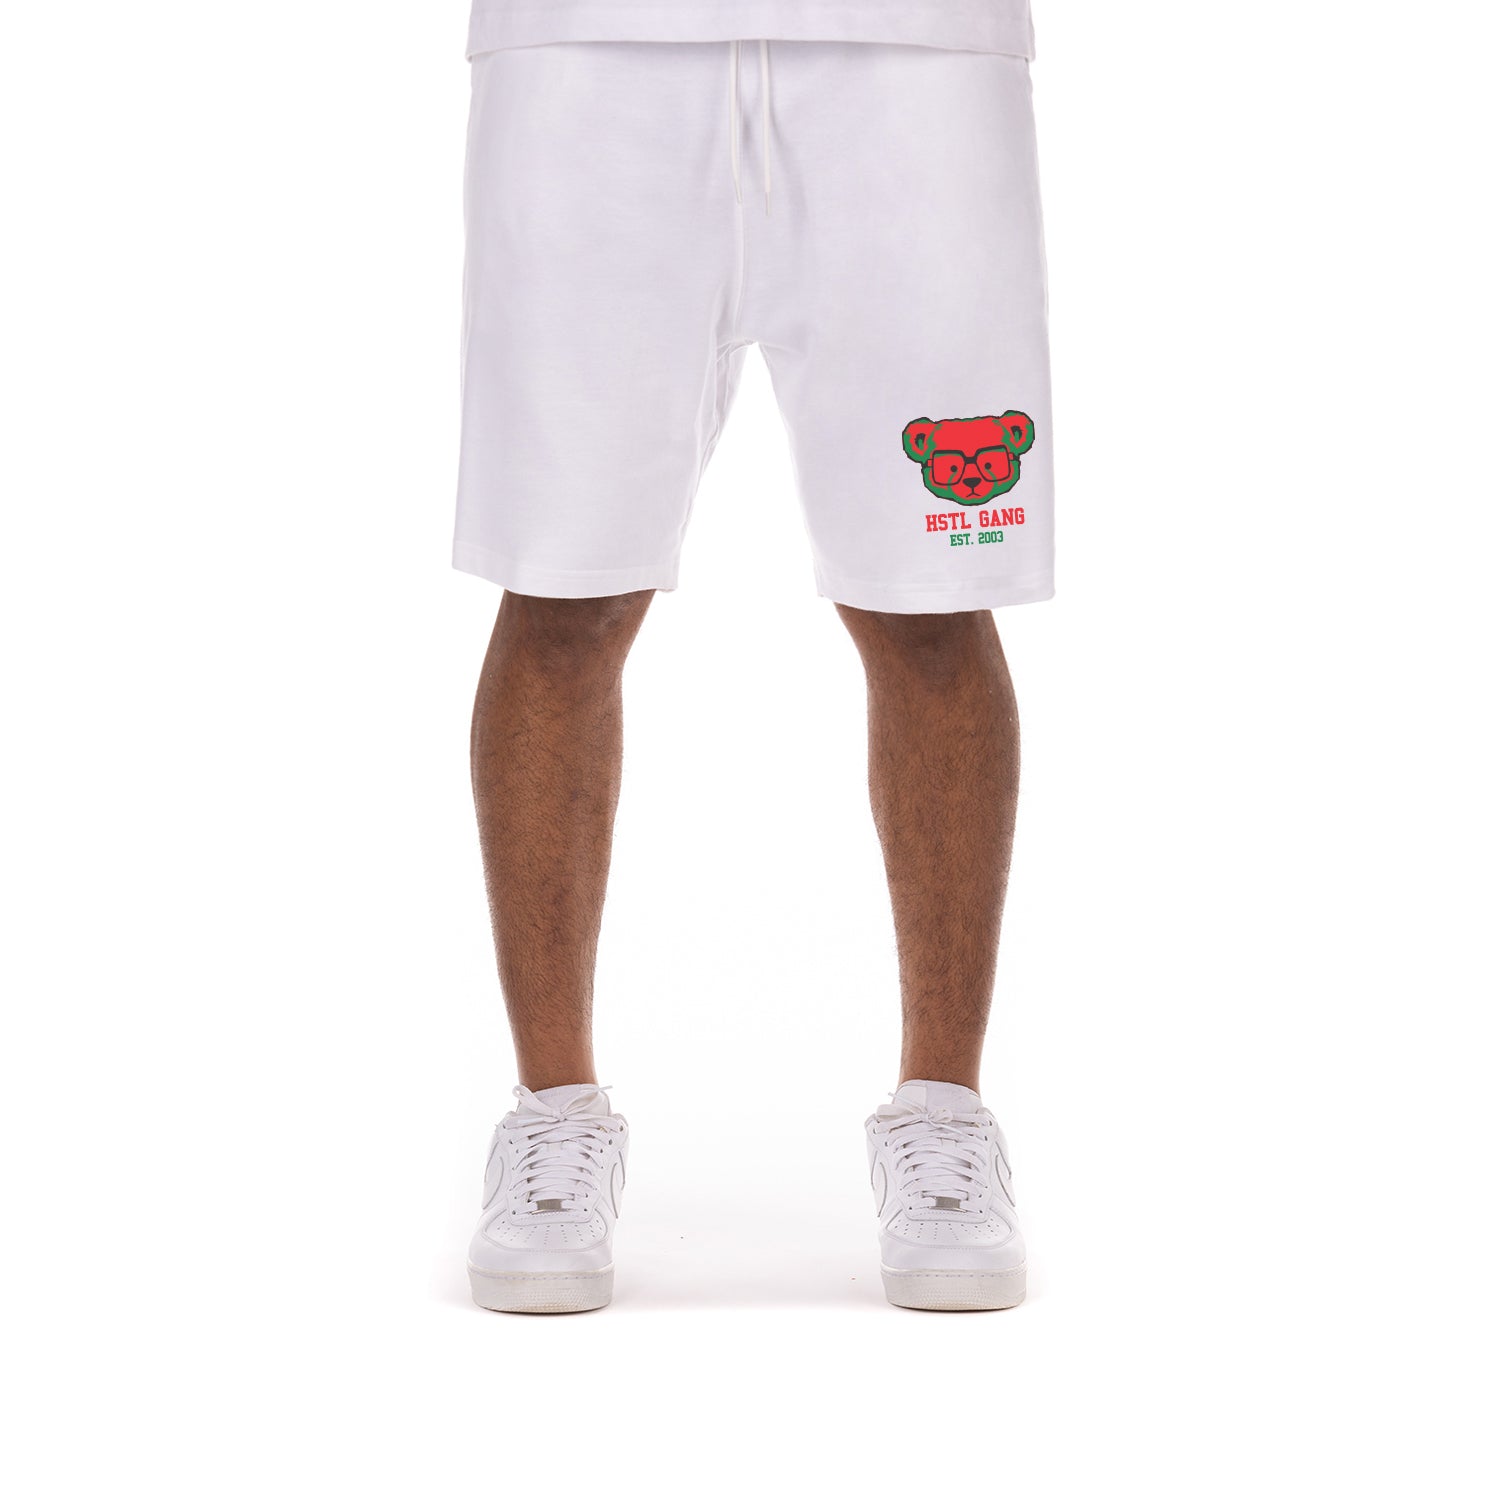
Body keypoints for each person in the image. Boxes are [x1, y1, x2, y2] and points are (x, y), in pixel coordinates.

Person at [456, 0, 1051, 1314]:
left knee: (930, 596)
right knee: (563, 586)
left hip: (914, 54)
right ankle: (553, 1114)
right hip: (587, 51)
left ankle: (944, 1114)